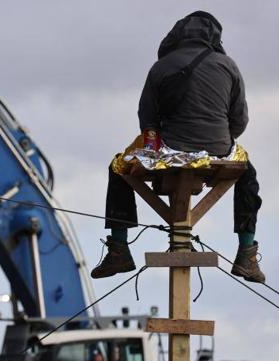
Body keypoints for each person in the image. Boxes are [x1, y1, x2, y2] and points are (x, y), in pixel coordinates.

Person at [91, 11, 265, 283]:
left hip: (172, 147)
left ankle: (119, 249)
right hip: (219, 147)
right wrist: (216, 140)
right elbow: (240, 120)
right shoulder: (228, 65)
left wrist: (162, 145)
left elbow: (147, 120)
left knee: (118, 167)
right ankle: (247, 254)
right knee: (247, 173)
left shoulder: (160, 67)